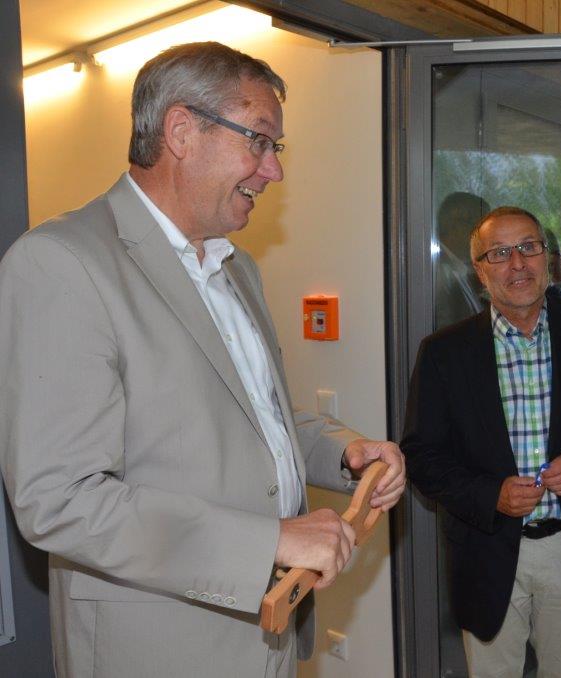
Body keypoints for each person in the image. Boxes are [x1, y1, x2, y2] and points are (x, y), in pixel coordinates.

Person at [0, 43, 406, 678]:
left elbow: (255, 419)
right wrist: (270, 541)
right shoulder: (61, 262)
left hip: (269, 637)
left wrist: (344, 454)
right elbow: (60, 500)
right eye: (259, 140)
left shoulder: (238, 268)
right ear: (182, 132)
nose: (274, 171)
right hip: (159, 651)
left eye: (276, 148)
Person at [402, 206, 561, 677]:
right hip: (487, 551)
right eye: (499, 253)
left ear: (547, 257)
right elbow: (422, 456)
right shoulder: (444, 353)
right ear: (480, 271)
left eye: (528, 247)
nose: (517, 263)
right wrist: (490, 494)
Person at [435, 191, 491, 329]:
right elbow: (444, 330)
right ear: (456, 226)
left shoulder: (457, 267)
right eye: (482, 228)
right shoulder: (437, 273)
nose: (488, 237)